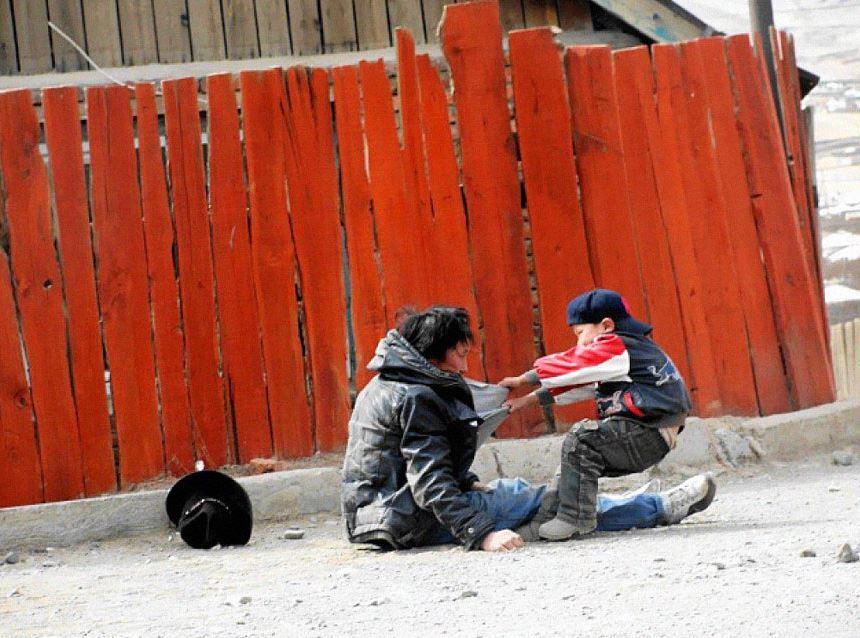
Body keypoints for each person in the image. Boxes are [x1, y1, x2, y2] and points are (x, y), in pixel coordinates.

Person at [341, 305, 716, 552]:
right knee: (552, 503)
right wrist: (482, 533)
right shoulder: (416, 396)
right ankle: (656, 507)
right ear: (432, 353)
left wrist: (466, 482)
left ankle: (629, 503)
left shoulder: (384, 383)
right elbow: (427, 482)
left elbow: (401, 458)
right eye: (459, 354)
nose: (463, 366)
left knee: (527, 496)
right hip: (406, 518)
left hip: (378, 514)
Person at [501, 288, 712, 541]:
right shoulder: (630, 354)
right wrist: (527, 400)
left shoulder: (617, 346)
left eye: (580, 333)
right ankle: (542, 523)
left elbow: (574, 364)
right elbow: (584, 385)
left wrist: (524, 378)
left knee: (581, 439)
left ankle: (574, 519)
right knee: (571, 463)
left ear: (606, 325)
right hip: (652, 434)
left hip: (646, 431)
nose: (579, 343)